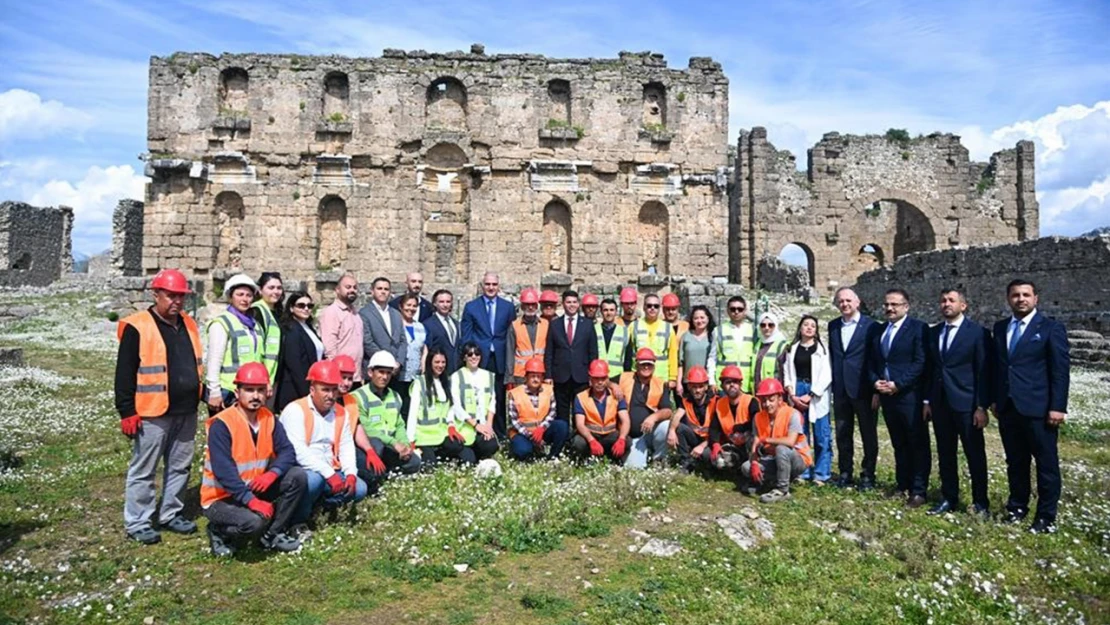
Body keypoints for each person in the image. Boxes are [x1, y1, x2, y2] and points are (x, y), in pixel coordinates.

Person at [115, 269, 204, 545]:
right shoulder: (137, 326)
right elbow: (124, 373)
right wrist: (127, 411)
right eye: (171, 296)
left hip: (186, 409)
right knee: (145, 469)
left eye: (181, 296)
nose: (177, 301)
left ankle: (171, 513)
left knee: (180, 466)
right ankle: (138, 521)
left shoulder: (188, 323)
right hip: (153, 412)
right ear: (156, 294)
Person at [201, 362, 305, 556]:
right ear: (237, 391)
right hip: (220, 498)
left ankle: (272, 534)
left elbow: (287, 452)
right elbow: (224, 472)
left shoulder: (268, 418)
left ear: (267, 392)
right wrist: (251, 501)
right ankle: (219, 530)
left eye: (260, 390)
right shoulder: (222, 424)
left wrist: (272, 474)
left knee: (297, 476)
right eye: (249, 390)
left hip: (254, 488)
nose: (255, 396)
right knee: (254, 523)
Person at [990, 279, 1069, 534]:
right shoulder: (1001, 328)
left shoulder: (1050, 328)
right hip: (1009, 408)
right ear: (1008, 299)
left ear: (1036, 299)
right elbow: (999, 367)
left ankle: (1046, 517)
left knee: (1046, 464)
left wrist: (1057, 407)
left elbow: (1059, 371)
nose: (1020, 299)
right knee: (1016, 462)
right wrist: (995, 398)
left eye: (1026, 295)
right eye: (1015, 295)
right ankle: (1017, 507)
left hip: (1039, 408)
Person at [924, 288, 990, 517]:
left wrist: (982, 406)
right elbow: (931, 370)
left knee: (974, 454)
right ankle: (948, 497)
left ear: (963, 305)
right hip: (941, 404)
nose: (946, 304)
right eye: (943, 300)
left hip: (967, 404)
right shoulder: (934, 333)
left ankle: (981, 502)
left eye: (951, 300)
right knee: (945, 453)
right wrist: (927, 400)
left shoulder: (977, 333)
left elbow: (983, 371)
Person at [280, 361, 368, 525]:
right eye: (325, 389)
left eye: (334, 389)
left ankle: (320, 506)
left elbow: (346, 446)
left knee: (360, 489)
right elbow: (298, 450)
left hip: (332, 470)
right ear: (312, 390)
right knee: (313, 482)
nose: (330, 395)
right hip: (302, 469)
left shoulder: (341, 412)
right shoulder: (295, 410)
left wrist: (350, 474)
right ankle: (298, 521)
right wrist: (329, 474)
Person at [869, 288, 930, 508]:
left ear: (906, 306)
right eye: (887, 304)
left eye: (895, 304)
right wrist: (875, 382)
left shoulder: (918, 328)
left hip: (909, 396)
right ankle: (902, 484)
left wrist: (899, 384)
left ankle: (919, 490)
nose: (890, 308)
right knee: (899, 442)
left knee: (917, 443)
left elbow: (920, 362)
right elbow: (874, 362)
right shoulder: (879, 331)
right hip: (887, 396)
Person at [828, 286, 880, 490]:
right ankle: (845, 472)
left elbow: (877, 359)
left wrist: (877, 390)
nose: (845, 304)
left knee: (869, 434)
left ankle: (868, 475)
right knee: (842, 433)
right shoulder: (832, 326)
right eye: (841, 301)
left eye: (848, 300)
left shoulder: (871, 326)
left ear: (857, 302)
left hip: (864, 390)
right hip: (841, 390)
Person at [350, 351, 421, 488]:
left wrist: (405, 445)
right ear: (370, 372)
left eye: (388, 373)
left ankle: (387, 475)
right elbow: (368, 429)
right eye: (381, 372)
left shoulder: (395, 396)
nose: (384, 377)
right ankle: (377, 476)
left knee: (415, 462)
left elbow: (399, 425)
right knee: (377, 445)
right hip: (372, 447)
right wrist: (395, 443)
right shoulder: (357, 397)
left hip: (392, 447)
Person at [460, 272, 515, 437]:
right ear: (482, 286)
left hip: (499, 357)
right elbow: (467, 335)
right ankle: (478, 429)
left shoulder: (508, 307)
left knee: (498, 395)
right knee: (478, 394)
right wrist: (469, 357)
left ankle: (499, 432)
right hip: (480, 357)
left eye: (494, 285)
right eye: (488, 284)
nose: (491, 288)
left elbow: (510, 334)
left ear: (499, 286)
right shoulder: (471, 307)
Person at [741, 378, 813, 503]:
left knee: (782, 448)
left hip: (798, 460)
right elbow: (755, 443)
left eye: (771, 400)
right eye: (763, 400)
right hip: (774, 458)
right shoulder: (758, 417)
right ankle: (768, 482)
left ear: (780, 399)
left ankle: (782, 490)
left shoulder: (792, 414)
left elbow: (790, 442)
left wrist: (766, 439)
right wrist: (753, 463)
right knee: (746, 467)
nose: (767, 404)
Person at [783, 315, 832, 485]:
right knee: (800, 434)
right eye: (806, 325)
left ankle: (821, 474)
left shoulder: (822, 350)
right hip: (797, 390)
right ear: (800, 328)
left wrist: (811, 394)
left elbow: (826, 375)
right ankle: (802, 471)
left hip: (815, 392)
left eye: (813, 325)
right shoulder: (792, 348)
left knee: (821, 434)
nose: (809, 328)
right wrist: (792, 393)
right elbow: (787, 373)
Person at [408, 348, 477, 466]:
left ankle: (442, 455)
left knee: (469, 458)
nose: (440, 365)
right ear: (430, 363)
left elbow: (450, 407)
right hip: (424, 436)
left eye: (443, 362)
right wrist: (410, 440)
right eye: (437, 362)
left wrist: (451, 426)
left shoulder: (447, 381)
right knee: (430, 466)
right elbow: (413, 413)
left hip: (442, 433)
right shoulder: (420, 383)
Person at [206, 274, 262, 414]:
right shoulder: (221, 323)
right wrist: (214, 392)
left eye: (248, 295)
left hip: (249, 390)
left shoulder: (255, 325)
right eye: (240, 294)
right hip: (227, 390)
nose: (245, 299)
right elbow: (214, 359)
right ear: (231, 297)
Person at [545, 290, 599, 423]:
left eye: (574, 302)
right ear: (563, 304)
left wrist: (593, 375)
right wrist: (548, 375)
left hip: (581, 376)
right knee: (561, 412)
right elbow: (549, 352)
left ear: (579, 304)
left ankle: (576, 440)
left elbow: (593, 352)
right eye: (568, 302)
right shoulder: (554, 324)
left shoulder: (587, 324)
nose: (571, 305)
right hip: (560, 376)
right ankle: (563, 440)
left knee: (579, 411)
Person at [507, 357, 569, 460]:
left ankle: (552, 456)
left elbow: (552, 413)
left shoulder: (548, 390)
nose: (536, 379)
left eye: (539, 376)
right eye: (532, 376)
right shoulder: (515, 393)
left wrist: (541, 428)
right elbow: (514, 421)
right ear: (526, 377)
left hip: (542, 430)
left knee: (562, 426)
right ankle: (533, 450)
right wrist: (532, 436)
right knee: (522, 451)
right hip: (522, 433)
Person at [620, 348, 673, 468]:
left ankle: (658, 459)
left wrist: (653, 417)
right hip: (630, 436)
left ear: (654, 367)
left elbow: (668, 411)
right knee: (634, 469)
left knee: (666, 426)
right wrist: (614, 386)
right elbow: (606, 382)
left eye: (649, 364)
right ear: (636, 365)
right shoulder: (624, 378)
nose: (646, 367)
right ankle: (640, 454)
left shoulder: (660, 384)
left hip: (649, 433)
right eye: (643, 364)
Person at [449, 342, 501, 462]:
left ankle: (479, 452)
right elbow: (456, 406)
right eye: (470, 354)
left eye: (477, 353)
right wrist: (475, 425)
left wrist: (488, 425)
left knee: (491, 445)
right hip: (465, 426)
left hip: (483, 423)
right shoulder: (456, 376)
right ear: (464, 357)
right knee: (469, 461)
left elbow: (492, 402)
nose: (474, 357)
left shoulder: (488, 375)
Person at [571, 360, 630, 461]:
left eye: (603, 378)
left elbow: (625, 420)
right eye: (596, 379)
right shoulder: (581, 397)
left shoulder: (616, 395)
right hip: (591, 434)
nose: (600, 382)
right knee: (578, 442)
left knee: (627, 441)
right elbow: (580, 424)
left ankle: (613, 460)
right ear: (590, 379)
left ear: (607, 379)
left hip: (610, 434)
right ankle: (586, 460)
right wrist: (591, 440)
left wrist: (622, 439)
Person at [360, 277, 408, 397]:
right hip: (376, 370)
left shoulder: (396, 314)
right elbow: (367, 341)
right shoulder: (364, 313)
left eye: (386, 289)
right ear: (372, 291)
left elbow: (403, 340)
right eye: (379, 288)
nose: (383, 291)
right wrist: (387, 362)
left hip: (395, 371)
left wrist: (398, 362)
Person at [275, 291, 322, 412]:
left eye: (309, 306)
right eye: (301, 305)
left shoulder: (308, 327)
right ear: (291, 308)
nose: (306, 309)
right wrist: (307, 394)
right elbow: (295, 364)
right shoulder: (291, 329)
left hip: (311, 384)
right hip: (296, 389)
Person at [707, 365, 758, 471]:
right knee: (715, 459)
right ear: (722, 386)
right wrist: (715, 444)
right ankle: (736, 465)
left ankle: (750, 465)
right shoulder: (720, 403)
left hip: (750, 443)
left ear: (740, 384)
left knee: (752, 437)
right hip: (731, 444)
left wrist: (741, 428)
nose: (732, 385)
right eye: (728, 382)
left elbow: (757, 424)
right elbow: (714, 428)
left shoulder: (751, 401)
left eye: (735, 382)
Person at [666, 366, 716, 471]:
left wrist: (702, 446)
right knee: (678, 428)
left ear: (706, 386)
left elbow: (718, 432)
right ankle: (686, 461)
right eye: (694, 387)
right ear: (689, 387)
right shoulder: (686, 401)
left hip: (711, 440)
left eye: (700, 386)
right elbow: (678, 415)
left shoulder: (715, 401)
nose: (697, 390)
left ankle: (704, 466)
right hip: (696, 437)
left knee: (706, 456)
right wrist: (671, 431)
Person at [318, 273, 364, 383]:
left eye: (354, 287)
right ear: (337, 290)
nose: (352, 290)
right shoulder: (331, 312)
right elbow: (330, 348)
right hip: (341, 377)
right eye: (348, 287)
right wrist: (336, 375)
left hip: (355, 377)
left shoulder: (356, 314)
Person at [506, 287, 549, 387]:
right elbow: (509, 353)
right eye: (527, 304)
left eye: (533, 304)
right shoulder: (514, 326)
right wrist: (509, 377)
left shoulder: (546, 324)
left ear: (537, 306)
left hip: (541, 373)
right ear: (522, 306)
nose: (530, 307)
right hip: (520, 375)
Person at [713, 296, 756, 392]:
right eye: (733, 309)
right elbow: (713, 357)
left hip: (746, 383)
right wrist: (712, 381)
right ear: (727, 311)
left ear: (745, 311)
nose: (736, 312)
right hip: (725, 383)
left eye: (740, 309)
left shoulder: (753, 330)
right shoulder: (719, 330)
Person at [629, 294, 674, 383]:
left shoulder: (668, 328)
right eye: (649, 306)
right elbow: (628, 354)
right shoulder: (633, 326)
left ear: (659, 308)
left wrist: (673, 378)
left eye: (656, 306)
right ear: (644, 307)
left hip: (661, 378)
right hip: (639, 378)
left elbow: (672, 355)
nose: (652, 308)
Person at [397, 293, 428, 418]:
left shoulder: (420, 326)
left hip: (416, 374)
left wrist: (423, 365)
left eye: (414, 306)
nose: (411, 308)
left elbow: (424, 348)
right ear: (401, 306)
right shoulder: (396, 324)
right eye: (408, 305)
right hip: (399, 375)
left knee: (413, 406)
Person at [675, 305, 716, 399]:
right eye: (696, 318)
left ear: (708, 318)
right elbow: (681, 363)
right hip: (688, 383)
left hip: (706, 383)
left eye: (702, 317)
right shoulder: (686, 336)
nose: (699, 321)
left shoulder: (713, 336)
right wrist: (678, 383)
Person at [251, 272, 284, 387]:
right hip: (265, 377)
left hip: (276, 375)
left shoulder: (279, 312)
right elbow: (257, 348)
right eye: (271, 288)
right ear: (260, 290)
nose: (276, 291)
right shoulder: (257, 311)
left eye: (279, 288)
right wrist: (263, 378)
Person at [424, 289, 461, 374]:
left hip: (456, 370)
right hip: (438, 371)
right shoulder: (428, 324)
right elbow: (427, 350)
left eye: (448, 302)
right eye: (441, 302)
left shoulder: (456, 324)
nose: (445, 305)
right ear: (435, 303)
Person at [596, 298, 629, 382]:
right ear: (601, 312)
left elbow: (628, 359)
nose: (608, 313)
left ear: (616, 312)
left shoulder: (625, 331)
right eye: (605, 310)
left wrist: (626, 378)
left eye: (611, 310)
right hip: (598, 376)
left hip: (618, 376)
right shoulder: (593, 330)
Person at [751, 311, 786, 390]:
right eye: (763, 325)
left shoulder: (782, 345)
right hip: (757, 390)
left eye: (771, 325)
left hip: (773, 392)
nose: (767, 328)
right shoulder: (758, 343)